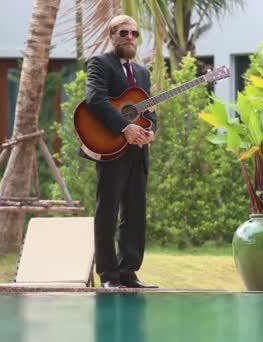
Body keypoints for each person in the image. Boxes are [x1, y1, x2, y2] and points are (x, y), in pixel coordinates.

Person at [82, 14, 158, 289]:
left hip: (138, 150)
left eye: (134, 34)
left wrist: (152, 131)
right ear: (111, 35)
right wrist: (124, 127)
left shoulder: (142, 73)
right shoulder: (100, 64)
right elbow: (95, 100)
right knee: (108, 210)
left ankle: (128, 272)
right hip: (110, 146)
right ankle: (109, 275)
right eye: (124, 33)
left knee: (136, 210)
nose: (130, 38)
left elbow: (148, 109)